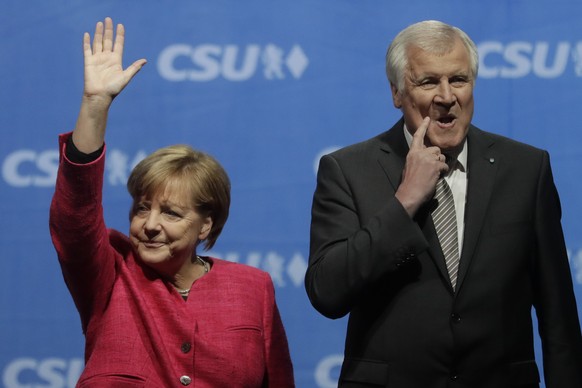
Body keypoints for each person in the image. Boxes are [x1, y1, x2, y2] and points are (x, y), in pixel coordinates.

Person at [305, 20, 582, 388]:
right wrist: (404, 202)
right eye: (428, 81)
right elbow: (328, 291)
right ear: (397, 92)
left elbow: (557, 314)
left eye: (459, 80)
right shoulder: (348, 170)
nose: (447, 96)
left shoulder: (526, 169)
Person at [49, 17, 294, 387]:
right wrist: (95, 105)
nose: (149, 224)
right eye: (142, 208)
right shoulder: (110, 274)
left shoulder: (252, 288)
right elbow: (74, 220)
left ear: (206, 224)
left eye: (171, 213)